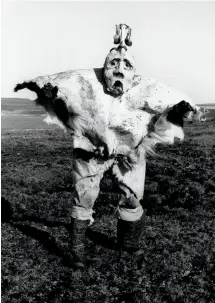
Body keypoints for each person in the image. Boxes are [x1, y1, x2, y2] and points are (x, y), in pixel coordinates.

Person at [14, 24, 200, 269]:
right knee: (84, 197)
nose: (119, 70)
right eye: (113, 64)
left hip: (129, 153)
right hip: (91, 149)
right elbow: (63, 90)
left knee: (132, 198)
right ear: (105, 66)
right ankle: (76, 251)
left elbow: (168, 103)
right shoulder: (88, 81)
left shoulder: (144, 89)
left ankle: (128, 244)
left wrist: (180, 108)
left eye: (126, 66)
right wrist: (50, 91)